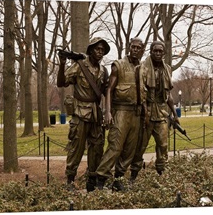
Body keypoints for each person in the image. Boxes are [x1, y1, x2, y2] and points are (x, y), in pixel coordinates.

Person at [57, 37, 110, 192]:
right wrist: (61, 64)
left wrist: (107, 112)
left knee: (97, 148)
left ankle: (92, 181)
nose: (100, 52)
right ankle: (70, 181)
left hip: (96, 115)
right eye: (97, 49)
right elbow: (61, 83)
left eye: (102, 50)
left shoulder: (103, 71)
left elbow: (107, 92)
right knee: (76, 148)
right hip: (80, 113)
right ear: (90, 50)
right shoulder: (79, 66)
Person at [95, 37, 147, 191]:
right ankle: (100, 179)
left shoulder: (143, 68)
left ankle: (118, 179)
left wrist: (146, 113)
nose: (135, 50)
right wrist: (108, 112)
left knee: (129, 149)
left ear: (143, 50)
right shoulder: (119, 65)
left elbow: (144, 93)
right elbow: (109, 89)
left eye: (139, 47)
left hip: (136, 113)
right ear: (129, 47)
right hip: (121, 111)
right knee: (115, 146)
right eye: (133, 47)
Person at [129, 41, 179, 182]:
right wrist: (144, 112)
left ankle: (162, 174)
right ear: (151, 52)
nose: (157, 53)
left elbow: (168, 95)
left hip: (162, 112)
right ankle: (133, 175)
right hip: (147, 111)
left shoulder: (167, 69)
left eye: (160, 51)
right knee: (141, 145)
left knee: (163, 145)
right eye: (155, 51)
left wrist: (175, 115)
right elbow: (139, 93)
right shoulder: (142, 68)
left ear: (163, 53)